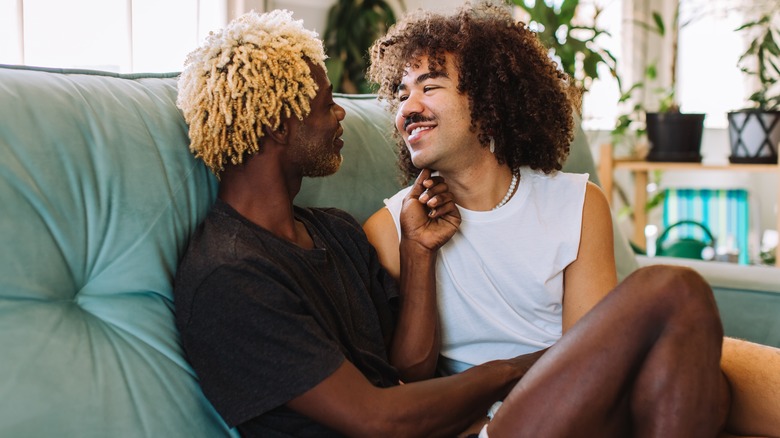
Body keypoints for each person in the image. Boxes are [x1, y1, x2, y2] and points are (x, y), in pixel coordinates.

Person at [173, 8, 729, 438]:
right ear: (277, 123)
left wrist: (419, 252)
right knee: (671, 290)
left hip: (485, 422)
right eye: (324, 103)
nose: (344, 111)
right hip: (480, 418)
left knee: (697, 369)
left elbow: (404, 372)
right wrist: (518, 370)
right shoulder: (230, 275)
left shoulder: (335, 233)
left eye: (429, 85)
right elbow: (377, 418)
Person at [365, 2, 780, 437]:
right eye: (400, 93)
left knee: (711, 389)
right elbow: (403, 377)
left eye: (429, 87)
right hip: (500, 423)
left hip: (585, 409)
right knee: (675, 288)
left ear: (488, 100)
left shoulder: (576, 203)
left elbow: (593, 356)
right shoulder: (391, 226)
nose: (407, 107)